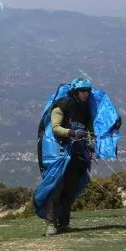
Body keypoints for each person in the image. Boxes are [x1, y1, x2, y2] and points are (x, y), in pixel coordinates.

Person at [43, 77, 96, 236]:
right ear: (75, 92)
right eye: (82, 91)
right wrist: (71, 132)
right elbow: (55, 128)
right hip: (60, 154)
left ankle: (64, 223)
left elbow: (90, 131)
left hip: (77, 155)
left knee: (70, 190)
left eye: (87, 91)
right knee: (56, 188)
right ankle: (51, 224)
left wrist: (90, 141)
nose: (85, 94)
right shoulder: (62, 106)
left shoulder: (87, 110)